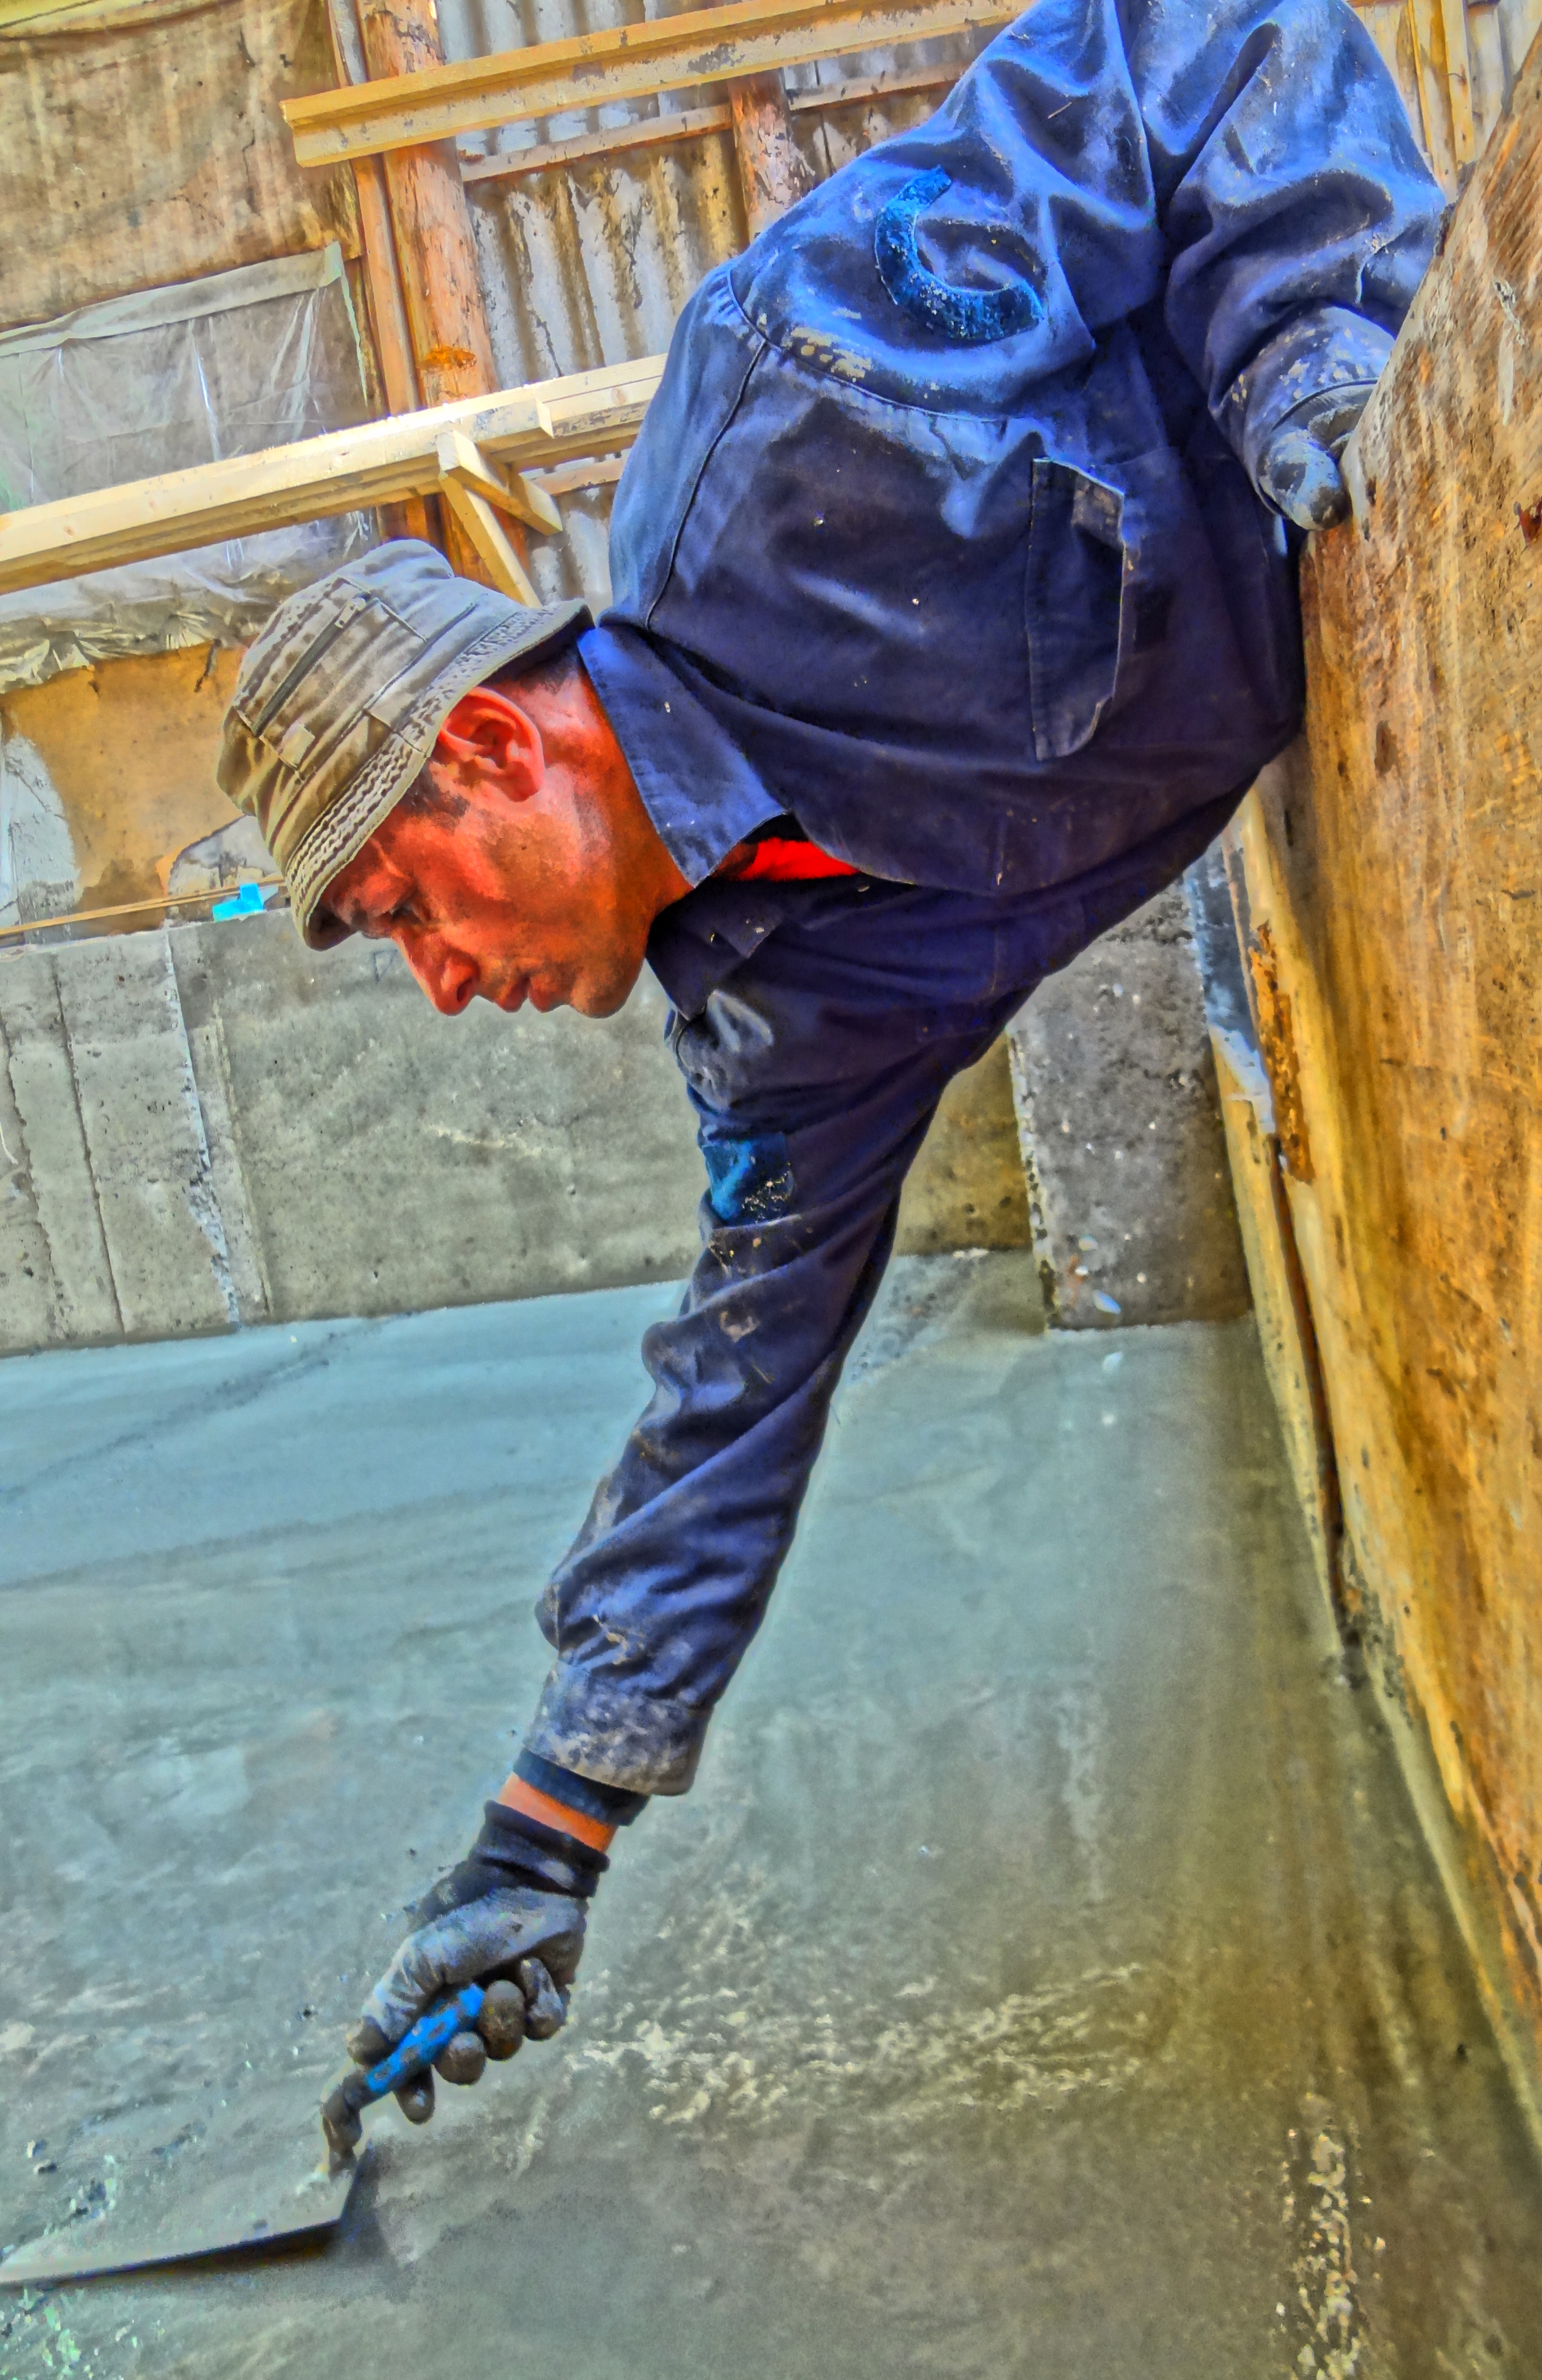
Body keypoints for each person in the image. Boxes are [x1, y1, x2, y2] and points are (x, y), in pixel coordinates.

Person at [217, 0, 1442, 2147]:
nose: (441, 983)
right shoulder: (787, 1006)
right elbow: (740, 1377)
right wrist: (540, 1838)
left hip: (1392, 505)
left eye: (410, 909)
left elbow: (1191, 39)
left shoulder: (791, 412)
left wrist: (1310, 345)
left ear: (491, 743)